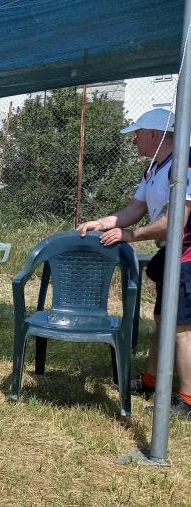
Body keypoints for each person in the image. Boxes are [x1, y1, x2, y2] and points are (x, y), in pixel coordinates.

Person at [78, 107, 191, 420]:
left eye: (137, 135)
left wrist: (131, 235)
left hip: (186, 257)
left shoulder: (184, 165)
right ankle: (152, 381)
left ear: (154, 136)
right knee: (163, 320)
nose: (133, 141)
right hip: (171, 254)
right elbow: (134, 208)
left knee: (182, 329)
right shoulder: (154, 169)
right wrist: (100, 223)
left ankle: (187, 400)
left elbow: (175, 221)